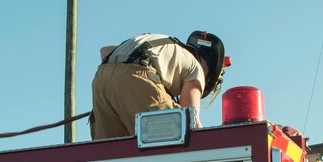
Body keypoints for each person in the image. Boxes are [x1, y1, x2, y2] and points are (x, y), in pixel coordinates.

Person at [89, 31, 227, 140]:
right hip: (138, 76)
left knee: (110, 151)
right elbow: (191, 119)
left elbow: (105, 51)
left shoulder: (164, 43)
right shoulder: (196, 69)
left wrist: (118, 90)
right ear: (209, 70)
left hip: (101, 79)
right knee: (174, 132)